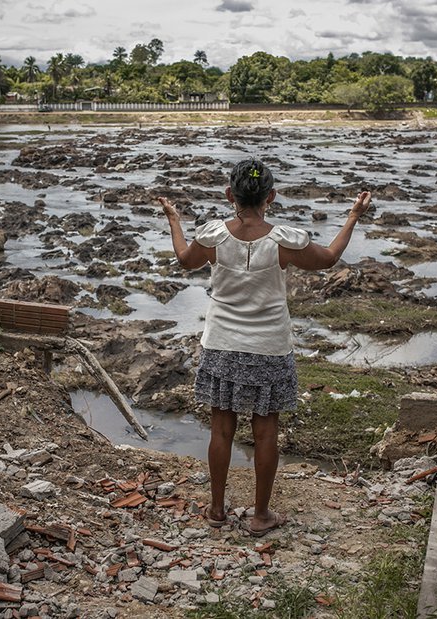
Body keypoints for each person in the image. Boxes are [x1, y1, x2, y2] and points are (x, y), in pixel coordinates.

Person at [158, 158, 371, 536]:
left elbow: (184, 260)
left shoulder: (213, 236)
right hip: (270, 347)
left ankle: (217, 510)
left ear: (230, 195)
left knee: (221, 430)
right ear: (270, 196)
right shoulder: (284, 242)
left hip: (222, 344)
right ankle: (260, 516)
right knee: (265, 432)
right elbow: (329, 259)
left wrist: (174, 219)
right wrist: (353, 215)